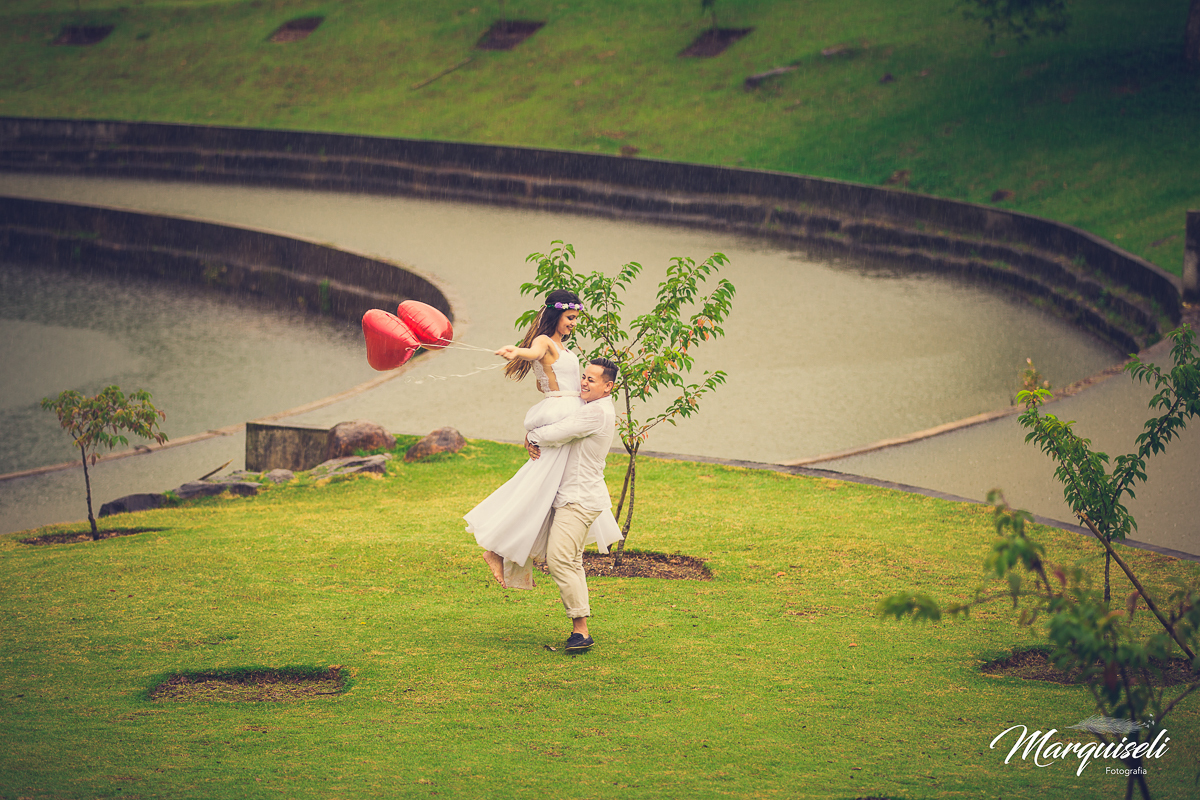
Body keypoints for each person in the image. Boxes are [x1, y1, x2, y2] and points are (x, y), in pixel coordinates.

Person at [464, 290, 622, 592]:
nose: (574, 323)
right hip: (563, 412)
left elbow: (544, 381)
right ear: (556, 316)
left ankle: (504, 550)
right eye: (570, 318)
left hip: (566, 409)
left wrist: (553, 387)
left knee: (546, 489)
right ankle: (496, 549)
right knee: (537, 486)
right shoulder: (544, 342)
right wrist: (516, 352)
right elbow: (534, 353)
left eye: (576, 318)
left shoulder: (562, 347)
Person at [525, 357, 619, 651]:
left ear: (608, 386)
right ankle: (581, 630)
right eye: (583, 377)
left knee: (560, 559)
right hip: (574, 495)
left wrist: (532, 435)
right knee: (570, 560)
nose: (584, 383)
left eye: (591, 380)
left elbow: (557, 432)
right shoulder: (591, 407)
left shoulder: (597, 413)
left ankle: (582, 629)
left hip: (579, 499)